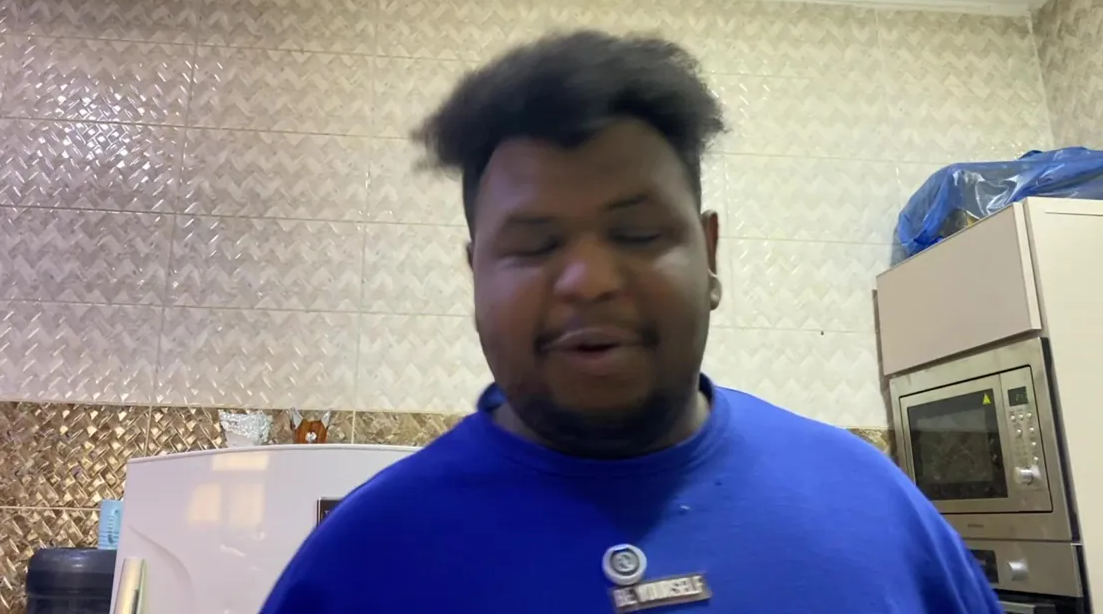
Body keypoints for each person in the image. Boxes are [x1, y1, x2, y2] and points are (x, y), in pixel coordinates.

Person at [260, 31, 1002, 613]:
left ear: (709, 255)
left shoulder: (873, 506)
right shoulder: (363, 560)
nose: (589, 280)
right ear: (475, 274)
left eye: (638, 233)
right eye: (535, 245)